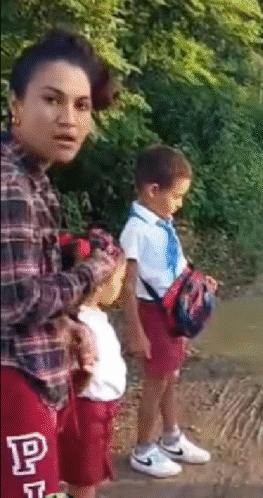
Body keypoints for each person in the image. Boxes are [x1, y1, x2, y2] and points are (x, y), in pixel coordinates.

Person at [1, 28, 123, 497]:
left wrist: (67, 326)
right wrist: (96, 269)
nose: (68, 119)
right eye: (52, 100)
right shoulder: (11, 184)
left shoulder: (33, 177)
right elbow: (18, 303)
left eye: (82, 105)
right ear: (16, 105)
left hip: (30, 378)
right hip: (15, 384)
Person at [121, 145, 214, 477]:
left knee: (170, 376)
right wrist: (136, 333)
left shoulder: (162, 223)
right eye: (176, 196)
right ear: (152, 190)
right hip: (154, 317)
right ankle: (143, 448)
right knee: (156, 382)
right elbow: (127, 285)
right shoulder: (136, 230)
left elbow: (172, 266)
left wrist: (198, 282)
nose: (180, 203)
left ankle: (171, 437)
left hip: (173, 313)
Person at [56, 238, 128, 498]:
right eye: (119, 280)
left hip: (98, 411)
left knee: (88, 474)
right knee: (83, 479)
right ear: (98, 285)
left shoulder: (90, 317)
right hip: (85, 414)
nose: (121, 286)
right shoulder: (81, 324)